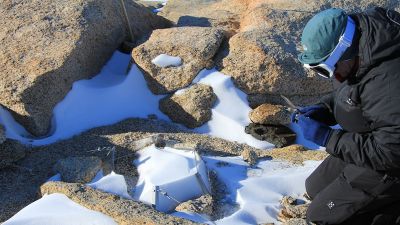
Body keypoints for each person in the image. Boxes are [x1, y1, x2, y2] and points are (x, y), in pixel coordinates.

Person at [294, 7, 400, 225]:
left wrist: (328, 138)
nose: (331, 76)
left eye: (325, 69)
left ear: (345, 49)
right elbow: (357, 93)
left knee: (322, 216)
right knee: (314, 187)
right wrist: (326, 109)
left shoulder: (388, 81)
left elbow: (391, 151)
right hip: (370, 139)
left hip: (390, 164)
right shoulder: (361, 50)